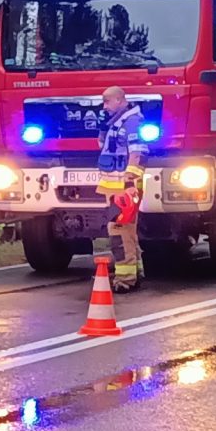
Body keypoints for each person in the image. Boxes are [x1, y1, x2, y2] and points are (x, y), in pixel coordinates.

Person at [95, 84, 148, 287]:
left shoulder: (132, 121)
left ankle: (125, 279)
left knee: (118, 230)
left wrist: (129, 183)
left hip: (124, 188)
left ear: (119, 100)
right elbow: (105, 147)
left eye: (107, 101)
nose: (104, 106)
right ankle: (135, 272)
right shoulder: (118, 121)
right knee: (128, 231)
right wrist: (103, 128)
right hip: (114, 187)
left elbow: (138, 153)